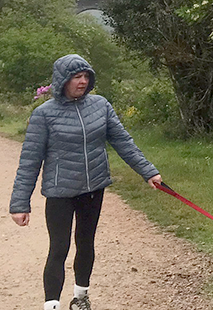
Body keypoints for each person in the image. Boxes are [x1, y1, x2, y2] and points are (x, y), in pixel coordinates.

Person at [9, 54, 163, 310]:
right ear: (62, 80)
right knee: (59, 248)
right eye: (76, 77)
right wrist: (19, 203)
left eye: (85, 77)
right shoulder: (44, 115)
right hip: (60, 192)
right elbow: (29, 161)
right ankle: (52, 305)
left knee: (86, 242)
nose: (82, 82)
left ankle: (80, 298)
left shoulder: (100, 105)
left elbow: (123, 142)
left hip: (94, 188)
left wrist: (148, 171)